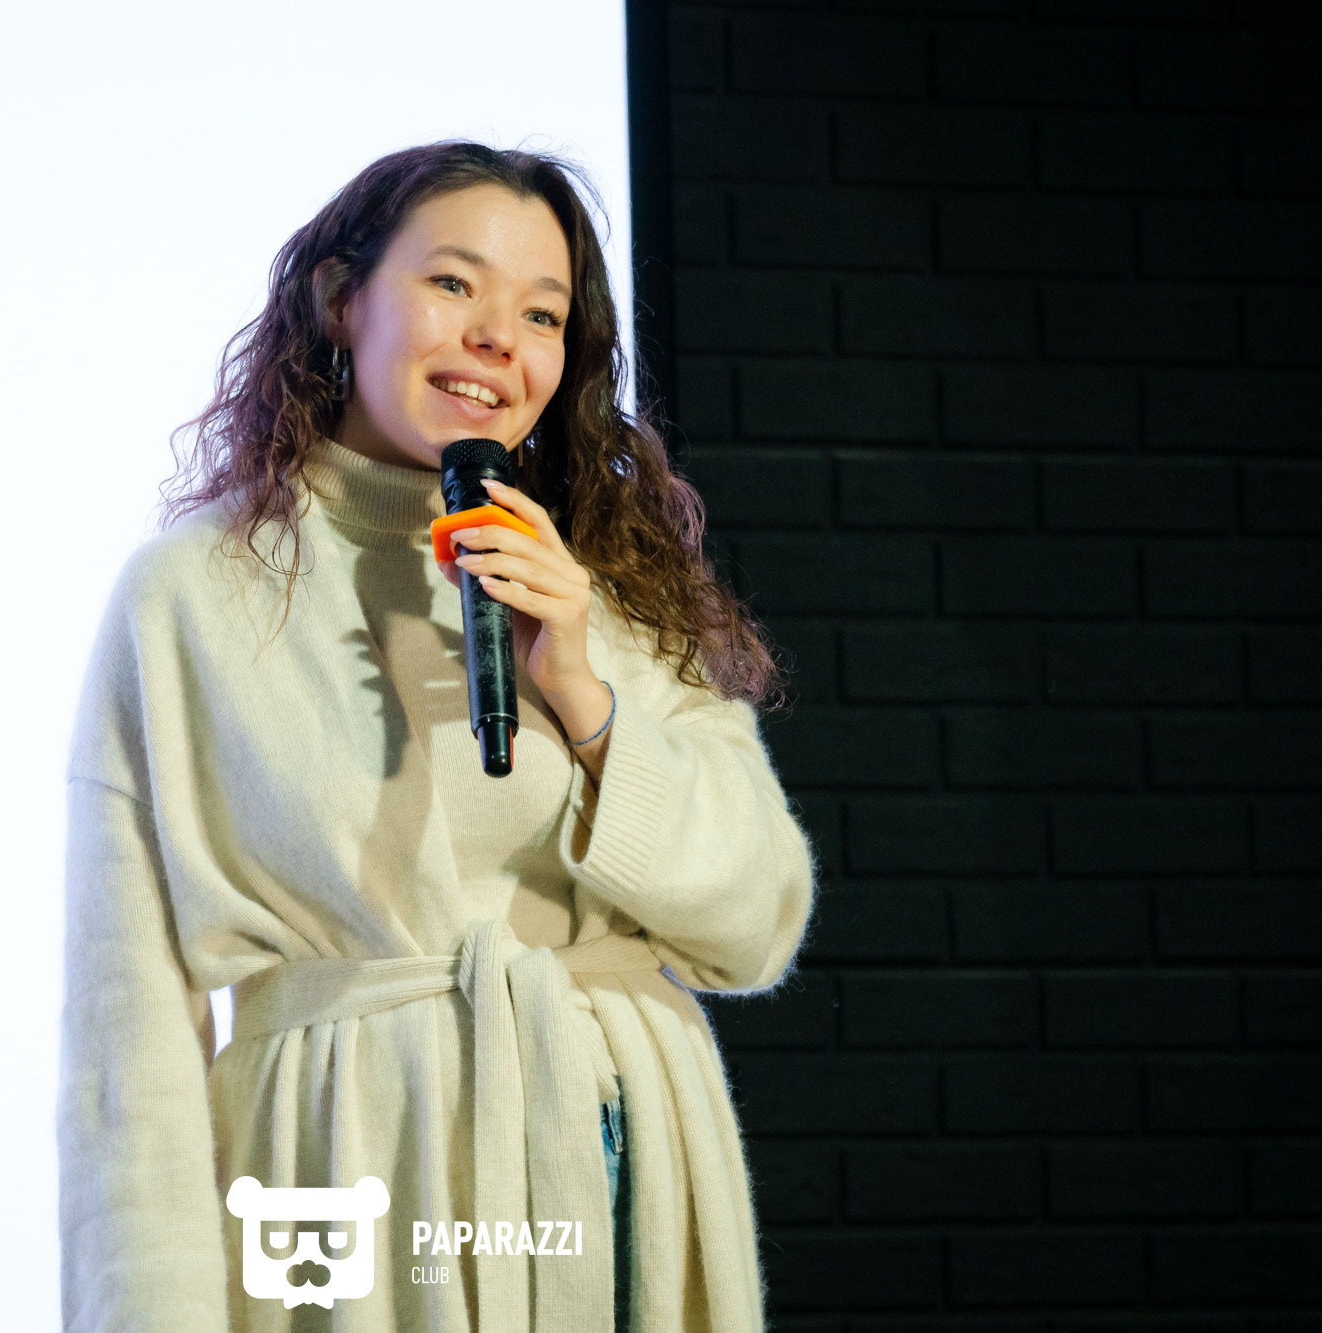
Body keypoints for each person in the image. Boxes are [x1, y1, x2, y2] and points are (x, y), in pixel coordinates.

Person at [57, 141, 815, 1332]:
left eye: (543, 313)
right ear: (341, 298)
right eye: (453, 283)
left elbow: (757, 921)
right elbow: (127, 1036)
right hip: (348, 1181)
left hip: (618, 1166)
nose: (498, 338)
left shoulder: (612, 586)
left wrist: (583, 695)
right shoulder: (188, 594)